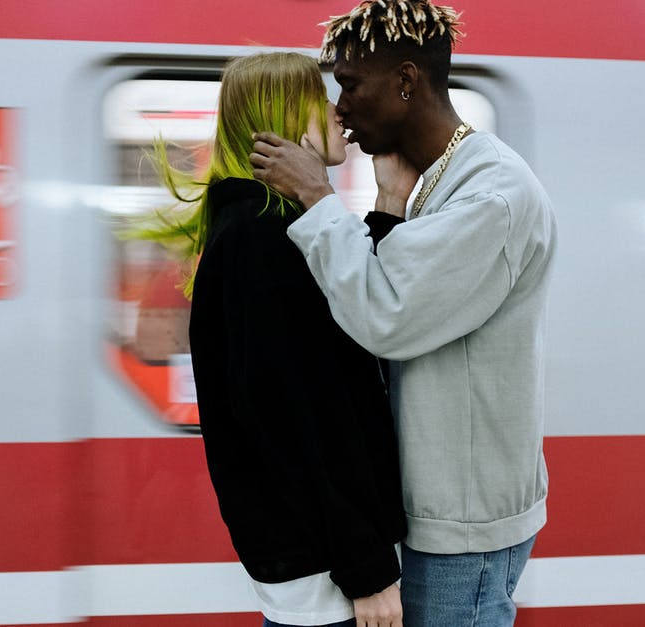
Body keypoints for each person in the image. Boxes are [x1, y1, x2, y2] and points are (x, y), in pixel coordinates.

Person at [248, 2, 558, 626]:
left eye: (352, 85)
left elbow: (387, 317)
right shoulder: (443, 181)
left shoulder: (489, 197)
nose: (339, 108)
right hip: (435, 509)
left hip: (463, 529)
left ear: (407, 82)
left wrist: (316, 198)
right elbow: (396, 287)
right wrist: (389, 201)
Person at [148, 51, 406, 627]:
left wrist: (386, 210)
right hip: (328, 576)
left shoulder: (254, 228)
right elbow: (308, 416)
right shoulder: (266, 241)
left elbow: (341, 334)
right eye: (322, 99)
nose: (341, 112)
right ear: (284, 119)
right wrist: (367, 569)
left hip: (312, 562)